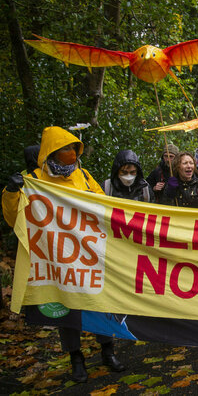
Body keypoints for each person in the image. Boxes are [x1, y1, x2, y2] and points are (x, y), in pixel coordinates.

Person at [2, 127, 125, 383]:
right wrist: (12, 194)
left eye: (74, 149)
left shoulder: (83, 175)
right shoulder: (33, 180)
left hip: (89, 251)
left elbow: (103, 204)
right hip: (56, 255)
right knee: (65, 308)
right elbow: (15, 218)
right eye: (66, 149)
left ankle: (107, 350)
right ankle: (76, 358)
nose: (72, 154)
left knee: (100, 302)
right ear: (52, 153)